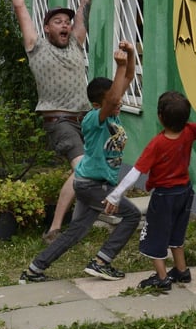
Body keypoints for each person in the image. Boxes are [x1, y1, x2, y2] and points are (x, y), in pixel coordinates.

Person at [19, 41, 141, 284]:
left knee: (76, 231)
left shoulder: (111, 114)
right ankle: (102, 261)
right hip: (93, 185)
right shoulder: (94, 118)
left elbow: (127, 78)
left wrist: (129, 55)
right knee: (132, 215)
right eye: (113, 102)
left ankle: (35, 268)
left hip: (89, 183)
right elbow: (114, 95)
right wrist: (117, 67)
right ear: (98, 104)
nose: (118, 104)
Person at [2, 0, 99, 244]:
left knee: (89, 172)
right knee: (83, 169)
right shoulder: (36, 46)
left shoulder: (76, 43)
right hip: (58, 121)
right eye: (58, 22)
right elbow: (21, 8)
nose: (65, 25)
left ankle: (83, 221)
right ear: (45, 28)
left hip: (84, 120)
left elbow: (85, 3)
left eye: (67, 22)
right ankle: (55, 228)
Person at [105, 91, 196, 291]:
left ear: (160, 116)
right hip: (185, 192)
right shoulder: (190, 130)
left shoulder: (157, 144)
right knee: (177, 233)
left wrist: (115, 195)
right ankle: (181, 270)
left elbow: (135, 172)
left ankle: (162, 278)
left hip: (164, 196)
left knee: (155, 236)